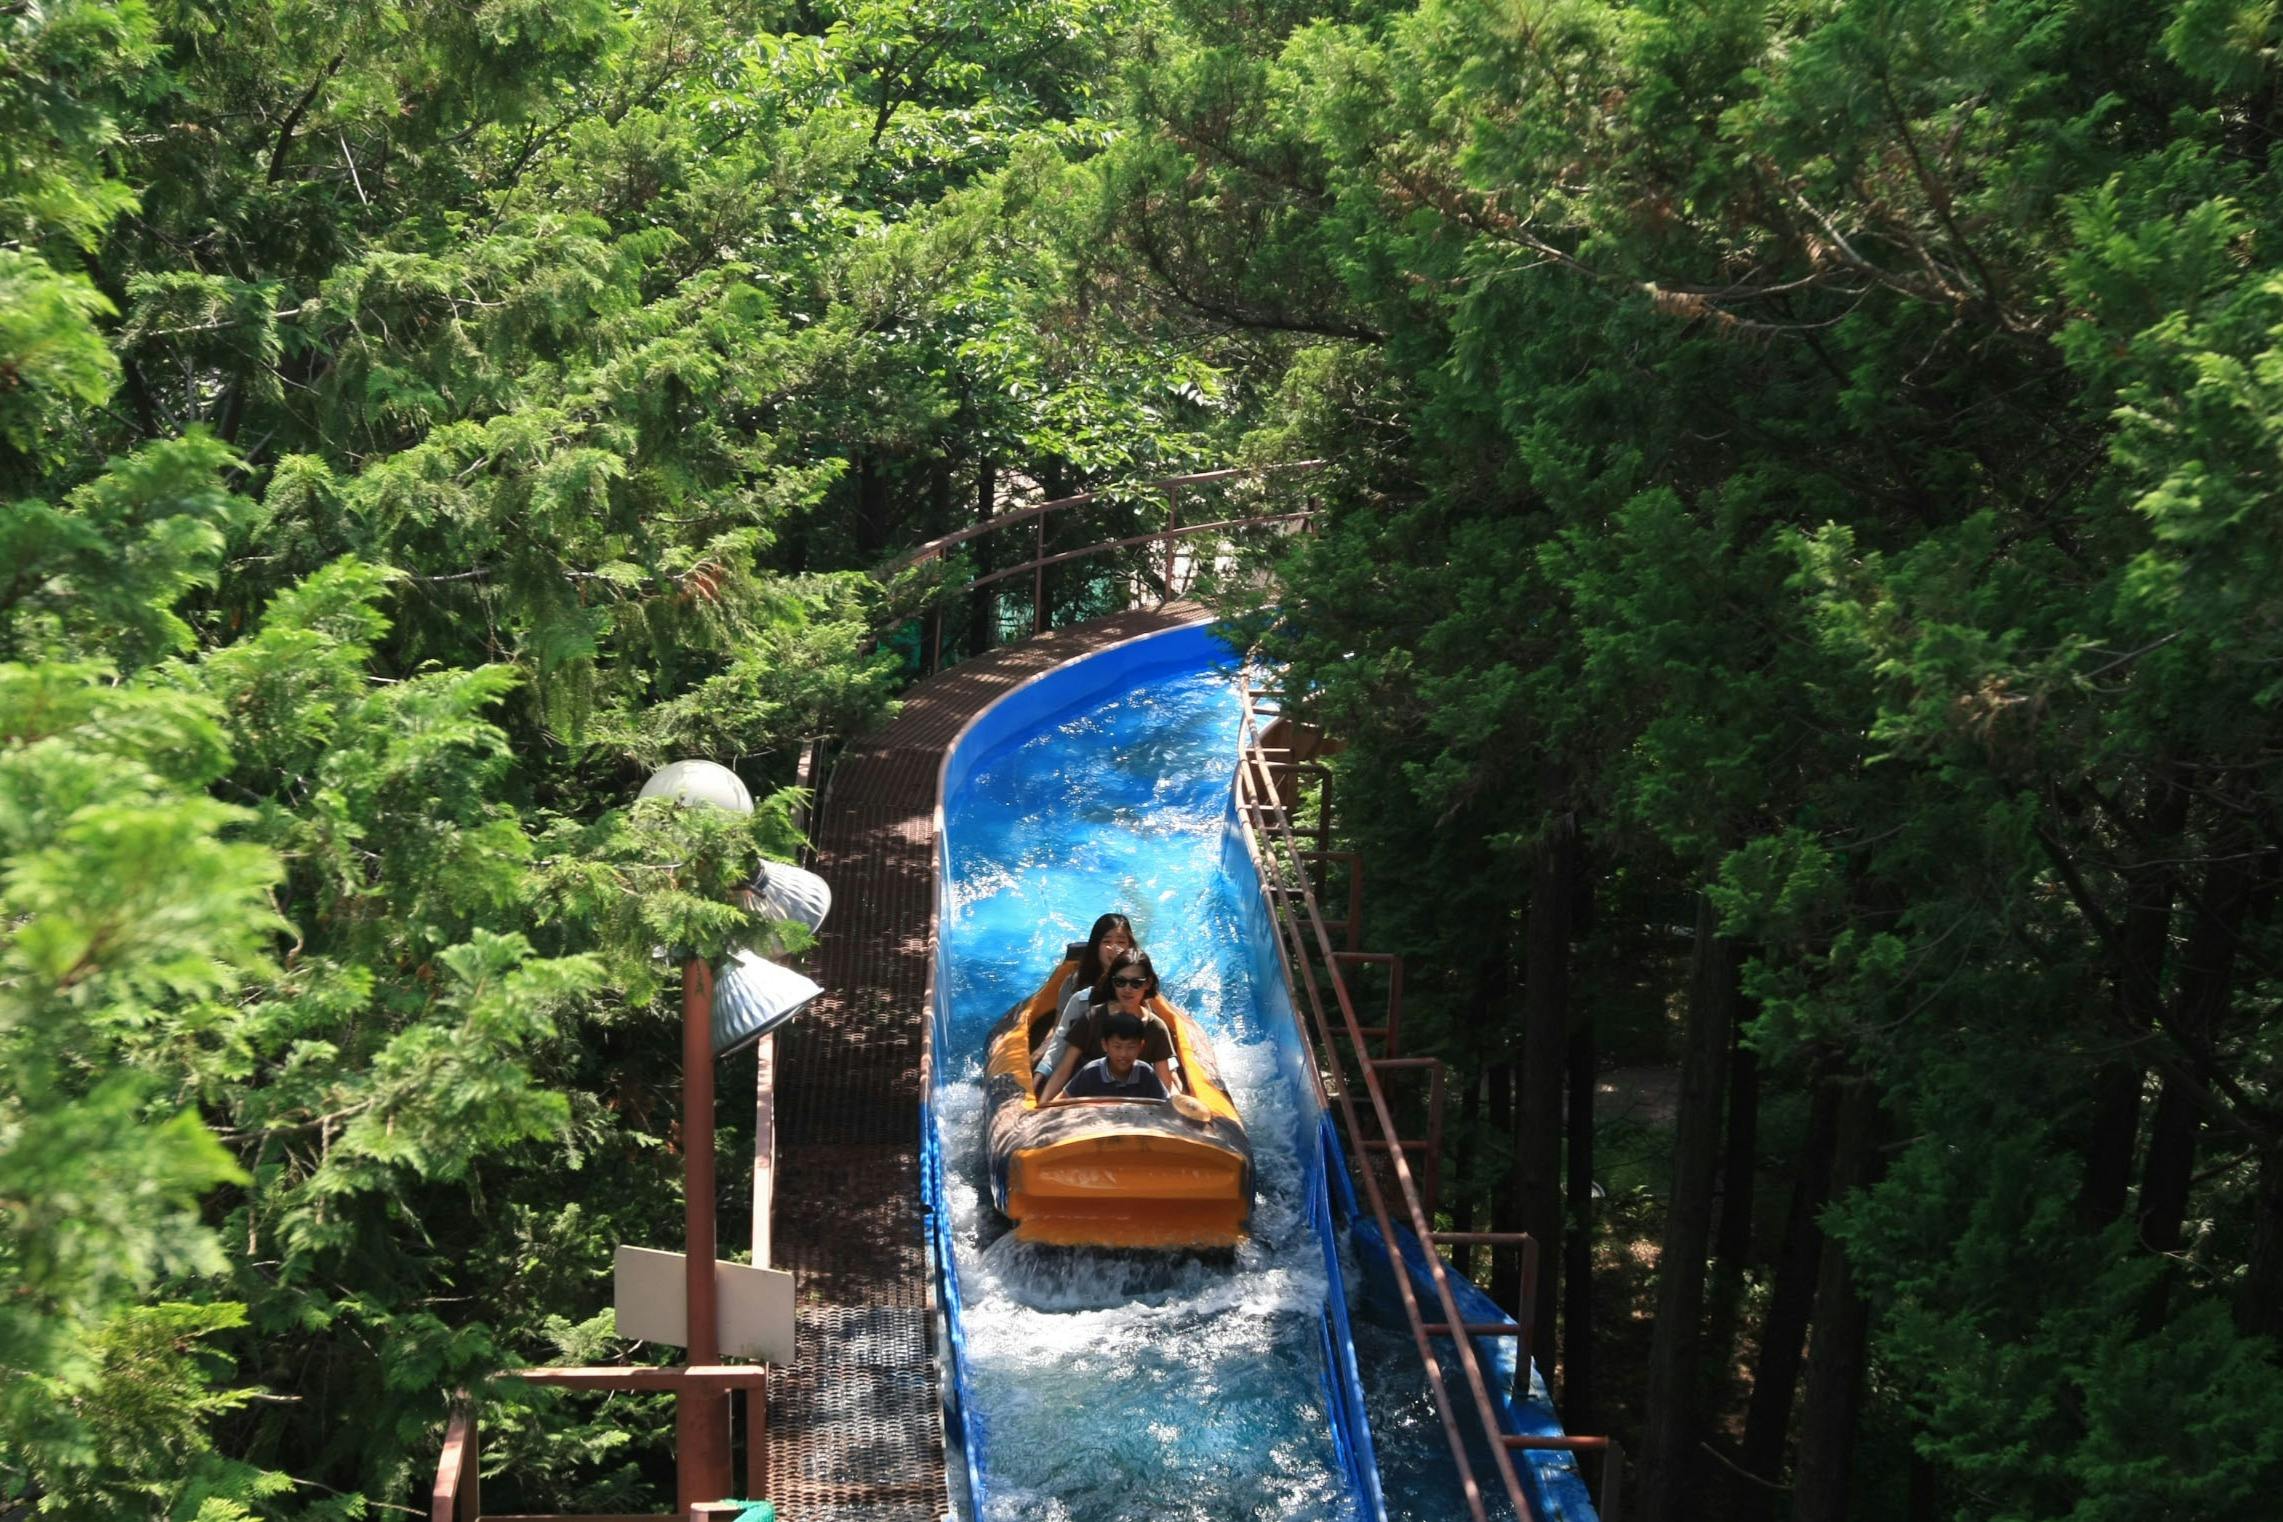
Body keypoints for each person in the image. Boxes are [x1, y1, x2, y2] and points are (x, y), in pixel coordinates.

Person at [1037, 947, 1180, 1102]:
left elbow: (1164, 1084)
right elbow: (1064, 1069)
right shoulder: (1092, 1018)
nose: (1127, 989)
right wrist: (1043, 1106)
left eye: (1135, 983)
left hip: (1134, 1106)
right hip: (1087, 1102)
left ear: (1148, 984)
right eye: (1120, 982)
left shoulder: (1156, 1028)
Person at [1034, 913, 1136, 1080]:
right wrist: (1042, 1054)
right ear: (1096, 946)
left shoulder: (1137, 984)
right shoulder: (1077, 985)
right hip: (1085, 1053)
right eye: (1107, 942)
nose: (1114, 948)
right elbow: (1060, 1028)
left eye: (1121, 942)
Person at [1058, 1010, 1169, 1101]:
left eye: (1130, 1047)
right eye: (1117, 1047)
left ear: (1141, 1046)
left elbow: (1165, 1105)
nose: (1123, 1054)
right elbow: (1062, 1103)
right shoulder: (1090, 1072)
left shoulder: (1146, 1073)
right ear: (1105, 1045)